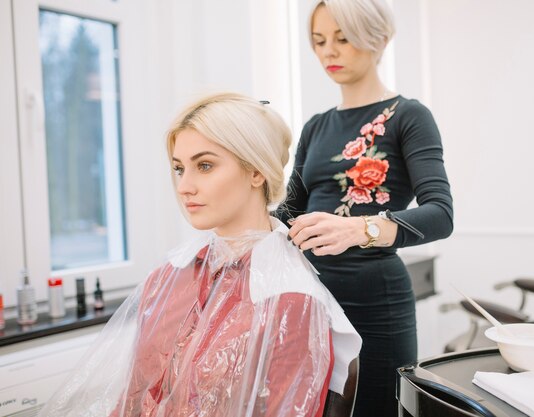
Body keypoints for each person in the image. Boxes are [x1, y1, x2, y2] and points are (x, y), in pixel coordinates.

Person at [39, 92, 361, 417]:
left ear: (256, 171)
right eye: (179, 168)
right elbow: (133, 400)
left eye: (204, 166)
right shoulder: (167, 279)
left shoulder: (291, 299)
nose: (184, 186)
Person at [279, 1, 454, 416]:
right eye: (319, 41)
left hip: (376, 303)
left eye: (343, 38)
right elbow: (289, 211)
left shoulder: (408, 117)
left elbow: (440, 213)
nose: (328, 52)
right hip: (312, 299)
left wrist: (360, 229)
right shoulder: (315, 126)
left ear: (378, 39)